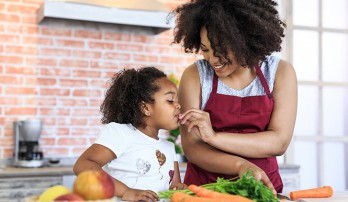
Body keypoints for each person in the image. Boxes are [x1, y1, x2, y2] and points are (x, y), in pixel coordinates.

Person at [172, 0, 298, 193]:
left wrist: (214, 138)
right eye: (206, 49)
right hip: (204, 191)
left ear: (245, 40)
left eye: (221, 50)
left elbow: (279, 142)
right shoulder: (195, 76)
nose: (213, 60)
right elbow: (193, 147)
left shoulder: (280, 72)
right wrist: (240, 165)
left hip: (261, 189)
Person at [73, 67, 187, 202]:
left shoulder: (169, 147)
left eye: (177, 100)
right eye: (170, 100)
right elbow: (83, 164)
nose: (178, 105)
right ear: (145, 108)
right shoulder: (120, 133)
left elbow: (173, 186)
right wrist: (126, 191)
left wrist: (177, 189)